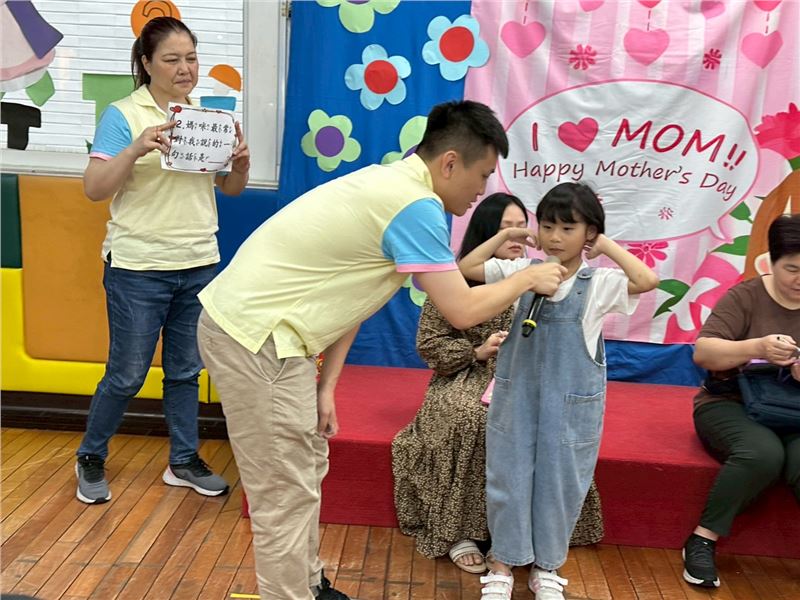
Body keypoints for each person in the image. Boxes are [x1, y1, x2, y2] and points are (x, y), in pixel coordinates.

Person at [195, 101, 568, 600]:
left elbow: (350, 293)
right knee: (282, 491)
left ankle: (308, 585)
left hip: (273, 338)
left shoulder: (395, 183)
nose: (482, 190)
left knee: (305, 470)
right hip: (256, 338)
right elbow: (462, 310)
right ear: (450, 163)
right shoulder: (414, 206)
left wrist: (326, 386)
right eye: (481, 175)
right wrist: (527, 278)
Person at [75, 16, 250, 505]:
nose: (184, 68)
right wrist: (136, 148)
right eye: (172, 59)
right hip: (138, 265)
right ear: (147, 63)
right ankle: (90, 456)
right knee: (127, 374)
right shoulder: (123, 114)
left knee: (185, 372)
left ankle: (184, 460)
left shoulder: (206, 118)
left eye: (191, 58)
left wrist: (240, 165)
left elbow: (231, 189)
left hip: (198, 261)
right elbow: (94, 189)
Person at [459, 182, 659, 600]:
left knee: (561, 483)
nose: (554, 237)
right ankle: (502, 564)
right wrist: (506, 236)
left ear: (588, 233)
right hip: (517, 398)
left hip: (569, 407)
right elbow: (468, 266)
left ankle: (547, 566)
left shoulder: (598, 283)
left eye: (568, 228)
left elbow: (646, 279)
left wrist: (604, 244)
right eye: (547, 226)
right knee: (508, 477)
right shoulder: (522, 272)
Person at [392, 193, 604, 575]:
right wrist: (476, 351)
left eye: (523, 227)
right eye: (507, 228)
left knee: (546, 426)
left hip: (527, 376)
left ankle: (524, 538)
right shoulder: (458, 281)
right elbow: (430, 344)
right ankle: (461, 530)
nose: (518, 236)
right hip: (466, 373)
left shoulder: (543, 276)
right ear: (487, 231)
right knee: (473, 417)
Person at [681, 213, 800, 589]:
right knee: (763, 454)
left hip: (793, 409)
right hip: (728, 402)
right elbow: (704, 353)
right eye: (792, 269)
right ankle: (702, 539)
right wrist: (757, 348)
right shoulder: (746, 296)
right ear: (771, 261)